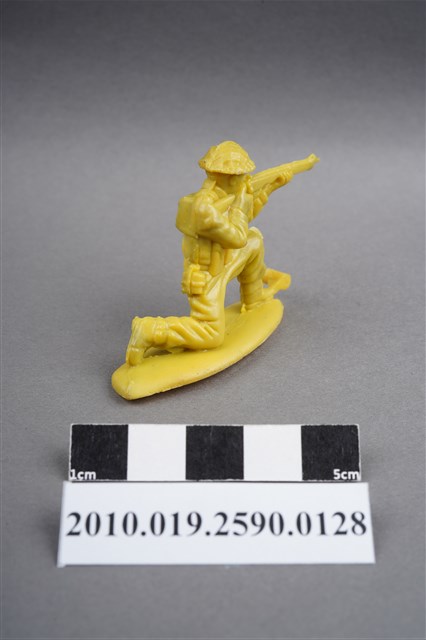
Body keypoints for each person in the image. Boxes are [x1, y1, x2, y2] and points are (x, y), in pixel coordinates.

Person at [126, 141, 291, 363]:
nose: (246, 179)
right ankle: (149, 330)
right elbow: (237, 237)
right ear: (229, 177)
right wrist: (240, 207)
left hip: (226, 258)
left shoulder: (221, 198)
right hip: (206, 275)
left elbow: (243, 224)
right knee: (211, 335)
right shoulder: (203, 210)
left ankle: (253, 299)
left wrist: (269, 188)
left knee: (254, 241)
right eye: (241, 175)